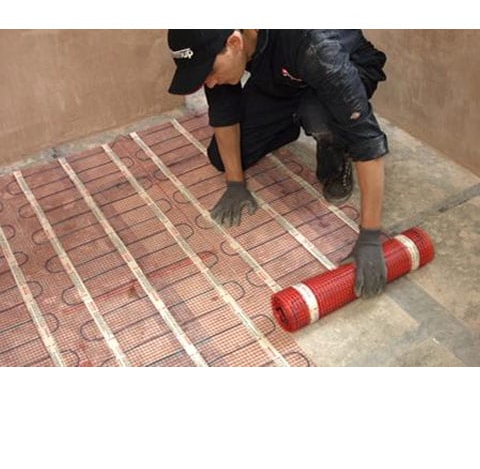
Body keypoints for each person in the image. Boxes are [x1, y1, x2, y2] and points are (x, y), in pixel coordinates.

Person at [166, 29, 388, 298]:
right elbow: (224, 112)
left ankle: (333, 147)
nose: (209, 83)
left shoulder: (315, 46)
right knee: (221, 157)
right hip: (284, 78)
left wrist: (370, 237)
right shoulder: (217, 33)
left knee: (316, 114)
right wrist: (235, 183)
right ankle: (290, 120)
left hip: (344, 65)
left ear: (234, 42)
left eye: (209, 72)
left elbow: (367, 141)